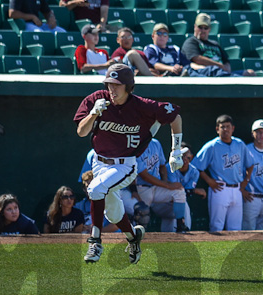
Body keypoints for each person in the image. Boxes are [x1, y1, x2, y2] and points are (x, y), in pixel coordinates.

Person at [74, 63, 183, 264]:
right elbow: (81, 131)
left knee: (96, 189)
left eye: (117, 85)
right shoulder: (97, 99)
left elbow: (175, 116)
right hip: (99, 163)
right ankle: (133, 237)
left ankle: (95, 242)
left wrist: (175, 150)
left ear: (129, 86)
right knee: (113, 213)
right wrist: (93, 114)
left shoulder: (142, 106)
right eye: (109, 84)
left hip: (125, 165)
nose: (112, 89)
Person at [192, 114, 253, 232]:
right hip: (220, 189)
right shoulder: (212, 145)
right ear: (217, 129)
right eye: (222, 127)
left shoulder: (239, 144)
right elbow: (196, 166)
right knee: (216, 227)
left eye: (228, 126)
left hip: (237, 189)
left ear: (233, 128)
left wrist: (246, 181)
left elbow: (250, 164)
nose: (225, 129)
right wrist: (209, 181)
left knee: (236, 229)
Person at [135, 138, 189, 233]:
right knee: (141, 215)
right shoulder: (136, 145)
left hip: (156, 187)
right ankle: (137, 236)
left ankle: (180, 225)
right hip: (141, 188)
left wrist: (164, 183)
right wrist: (166, 185)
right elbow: (144, 175)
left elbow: (162, 165)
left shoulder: (155, 143)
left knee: (179, 191)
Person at [181, 13, 255, 77]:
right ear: (195, 27)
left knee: (250, 73)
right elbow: (197, 58)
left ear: (209, 29)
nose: (203, 30)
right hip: (208, 73)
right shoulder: (191, 42)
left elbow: (226, 63)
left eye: (205, 28)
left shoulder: (215, 44)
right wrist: (219, 66)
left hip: (223, 73)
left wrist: (225, 68)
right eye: (200, 27)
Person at [167, 143, 206, 232]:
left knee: (183, 205)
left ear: (191, 157)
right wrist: (195, 191)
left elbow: (187, 193)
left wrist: (192, 191)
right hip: (165, 201)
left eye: (187, 157)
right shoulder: (170, 167)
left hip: (179, 202)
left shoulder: (194, 171)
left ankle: (185, 233)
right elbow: (175, 189)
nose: (184, 159)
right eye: (181, 156)